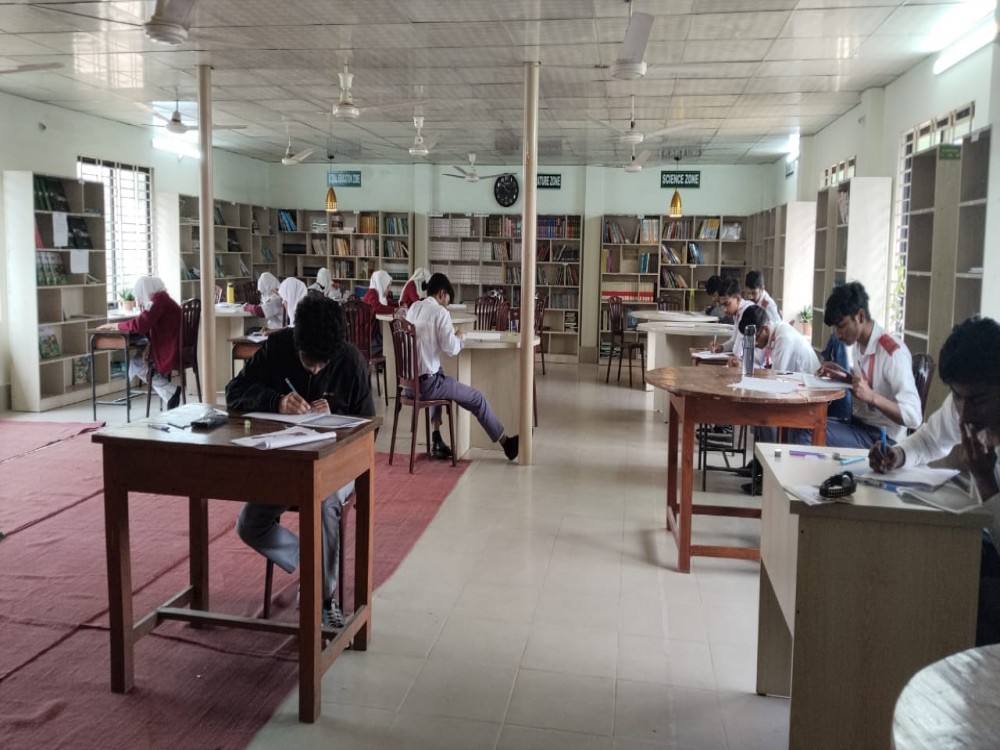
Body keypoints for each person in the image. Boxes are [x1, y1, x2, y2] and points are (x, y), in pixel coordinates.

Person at [226, 294, 375, 629]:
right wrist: (275, 401)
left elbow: (369, 429)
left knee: (324, 501)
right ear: (297, 342)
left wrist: (336, 414)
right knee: (249, 524)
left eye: (323, 364)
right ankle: (314, 564)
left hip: (338, 464)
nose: (315, 369)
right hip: (287, 464)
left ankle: (324, 598)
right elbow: (235, 392)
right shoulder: (277, 348)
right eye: (309, 362)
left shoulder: (351, 361)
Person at [868, 316, 1000, 646]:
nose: (965, 413)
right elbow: (930, 439)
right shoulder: (967, 405)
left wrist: (986, 481)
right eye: (957, 397)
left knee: (960, 596)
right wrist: (898, 454)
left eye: (977, 400)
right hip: (987, 538)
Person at [405, 272, 519, 461]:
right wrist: (460, 337)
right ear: (441, 294)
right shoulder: (440, 312)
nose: (446, 306)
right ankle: (507, 444)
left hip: (409, 386)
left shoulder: (414, 308)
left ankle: (436, 437)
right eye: (447, 301)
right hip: (427, 387)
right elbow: (452, 349)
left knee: (439, 372)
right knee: (477, 398)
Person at [797, 281, 921, 447]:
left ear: (860, 316)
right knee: (803, 420)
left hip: (883, 438)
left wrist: (872, 397)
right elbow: (866, 387)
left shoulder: (892, 353)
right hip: (860, 425)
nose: (838, 335)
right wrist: (843, 376)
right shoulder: (858, 345)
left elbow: (914, 417)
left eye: (841, 326)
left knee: (808, 431)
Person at [736, 304, 820, 493]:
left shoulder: (784, 338)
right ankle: (759, 463)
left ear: (765, 329)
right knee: (759, 410)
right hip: (795, 390)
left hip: (808, 397)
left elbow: (774, 379)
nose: (755, 345)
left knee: (767, 416)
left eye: (755, 339)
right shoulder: (772, 336)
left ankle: (768, 476)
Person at [104, 275, 182, 409]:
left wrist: (115, 325)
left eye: (140, 296)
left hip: (169, 348)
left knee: (136, 363)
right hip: (176, 345)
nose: (140, 300)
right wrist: (148, 345)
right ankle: (170, 396)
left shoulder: (157, 302)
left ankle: (171, 390)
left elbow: (141, 325)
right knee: (140, 359)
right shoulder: (164, 298)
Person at [710, 276, 753, 358]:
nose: (724, 309)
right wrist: (721, 347)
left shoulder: (748, 312)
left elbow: (738, 352)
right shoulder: (736, 313)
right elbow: (734, 341)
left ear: (738, 299)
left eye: (727, 304)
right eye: (722, 305)